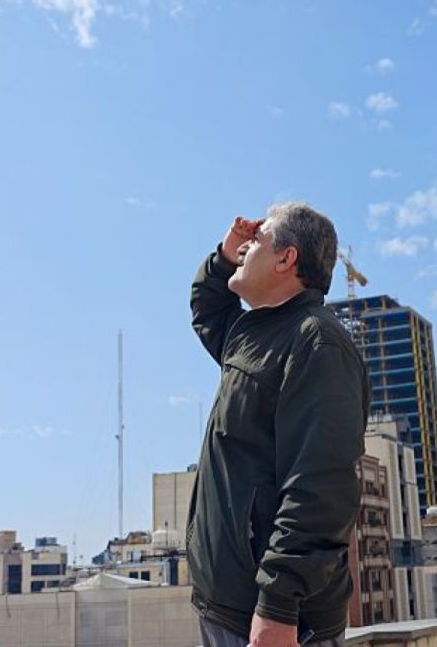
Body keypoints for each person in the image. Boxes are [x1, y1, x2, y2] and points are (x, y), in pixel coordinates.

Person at [188, 202, 369, 647]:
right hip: (226, 607)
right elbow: (208, 312)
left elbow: (320, 488)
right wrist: (224, 257)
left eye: (259, 241)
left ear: (286, 259)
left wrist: (278, 605)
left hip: (274, 620)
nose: (247, 245)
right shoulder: (255, 333)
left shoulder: (317, 342)